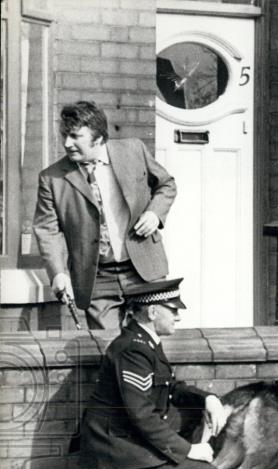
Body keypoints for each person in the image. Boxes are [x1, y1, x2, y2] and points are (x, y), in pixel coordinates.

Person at [80, 278, 227, 469]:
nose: (178, 317)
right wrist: (189, 450)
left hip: (129, 436)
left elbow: (172, 388)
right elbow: (141, 415)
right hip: (116, 445)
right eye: (174, 310)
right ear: (152, 311)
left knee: (191, 410)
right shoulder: (133, 349)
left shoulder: (146, 342)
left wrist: (208, 399)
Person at [33, 101, 177, 329]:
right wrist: (58, 273)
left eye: (75, 136)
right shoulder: (52, 179)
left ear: (98, 138)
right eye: (64, 136)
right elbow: (46, 230)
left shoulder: (133, 150)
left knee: (154, 340)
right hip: (97, 278)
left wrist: (154, 213)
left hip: (144, 268)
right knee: (108, 347)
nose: (67, 144)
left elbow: (166, 184)